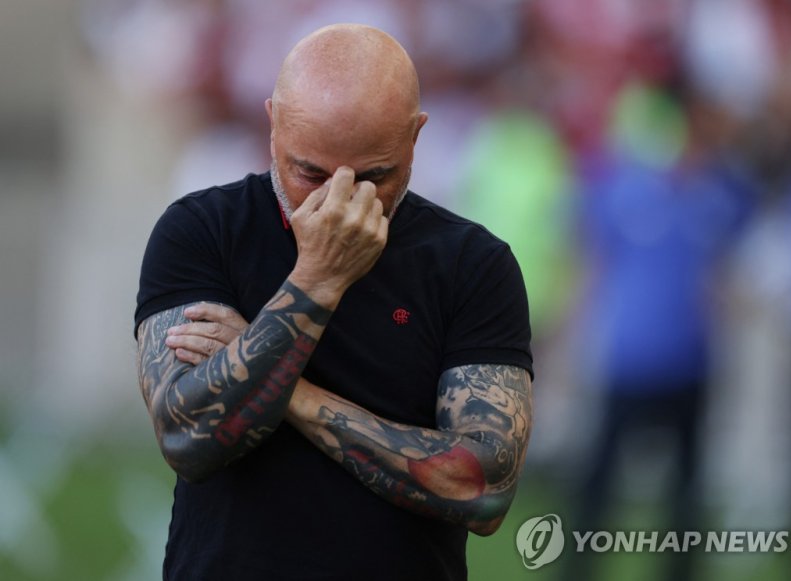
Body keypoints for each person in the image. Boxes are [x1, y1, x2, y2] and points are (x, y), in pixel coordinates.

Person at [135, 24, 533, 581]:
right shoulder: (203, 232)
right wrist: (318, 280)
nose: (338, 201)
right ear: (273, 125)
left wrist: (288, 390)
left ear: (416, 137)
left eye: (375, 176)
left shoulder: (471, 264)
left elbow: (483, 487)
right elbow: (187, 435)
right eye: (309, 172)